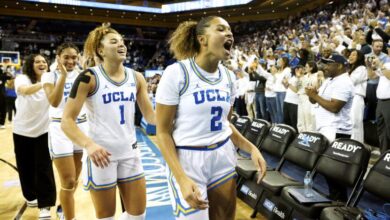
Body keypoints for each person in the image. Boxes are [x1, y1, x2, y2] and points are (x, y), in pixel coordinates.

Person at [155, 16, 266, 220]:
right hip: (188, 159)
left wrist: (251, 148)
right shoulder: (177, 73)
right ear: (202, 39)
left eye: (230, 30)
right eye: (221, 29)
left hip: (222, 155)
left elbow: (225, 124)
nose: (229, 34)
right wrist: (181, 178)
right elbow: (162, 132)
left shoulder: (229, 77)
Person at [61, 24, 155, 220]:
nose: (121, 45)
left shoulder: (136, 77)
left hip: (130, 153)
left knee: (139, 215)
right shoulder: (88, 77)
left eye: (122, 41)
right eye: (114, 42)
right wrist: (89, 145)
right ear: (100, 50)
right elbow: (67, 121)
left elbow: (151, 117)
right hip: (101, 156)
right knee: (107, 217)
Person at [41, 42, 87, 220]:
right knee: (67, 180)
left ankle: (64, 205)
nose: (70, 60)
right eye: (66, 57)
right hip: (59, 128)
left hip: (81, 127)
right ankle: (69, 216)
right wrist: (62, 76)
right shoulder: (48, 76)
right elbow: (53, 101)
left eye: (74, 57)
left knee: (74, 180)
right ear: (58, 57)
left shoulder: (82, 74)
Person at [13, 54, 56, 220]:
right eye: (37, 61)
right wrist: (44, 83)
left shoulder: (50, 83)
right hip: (21, 130)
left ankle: (45, 205)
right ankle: (30, 195)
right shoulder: (22, 78)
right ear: (30, 64)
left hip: (43, 130)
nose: (42, 63)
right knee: (25, 166)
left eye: (44, 61)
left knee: (44, 167)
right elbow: (25, 91)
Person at [306, 54, 354, 202]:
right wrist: (311, 94)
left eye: (329, 64)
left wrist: (314, 95)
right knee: (327, 170)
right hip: (326, 128)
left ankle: (340, 205)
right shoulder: (330, 80)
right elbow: (316, 101)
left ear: (339, 65)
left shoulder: (344, 82)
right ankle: (334, 199)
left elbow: (334, 107)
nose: (325, 67)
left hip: (336, 130)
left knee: (335, 172)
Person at [348, 49, 367, 143]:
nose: (350, 57)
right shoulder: (351, 69)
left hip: (357, 97)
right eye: (350, 55)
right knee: (349, 123)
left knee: (355, 123)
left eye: (354, 55)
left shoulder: (362, 68)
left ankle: (356, 145)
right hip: (349, 98)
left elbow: (351, 82)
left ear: (359, 57)